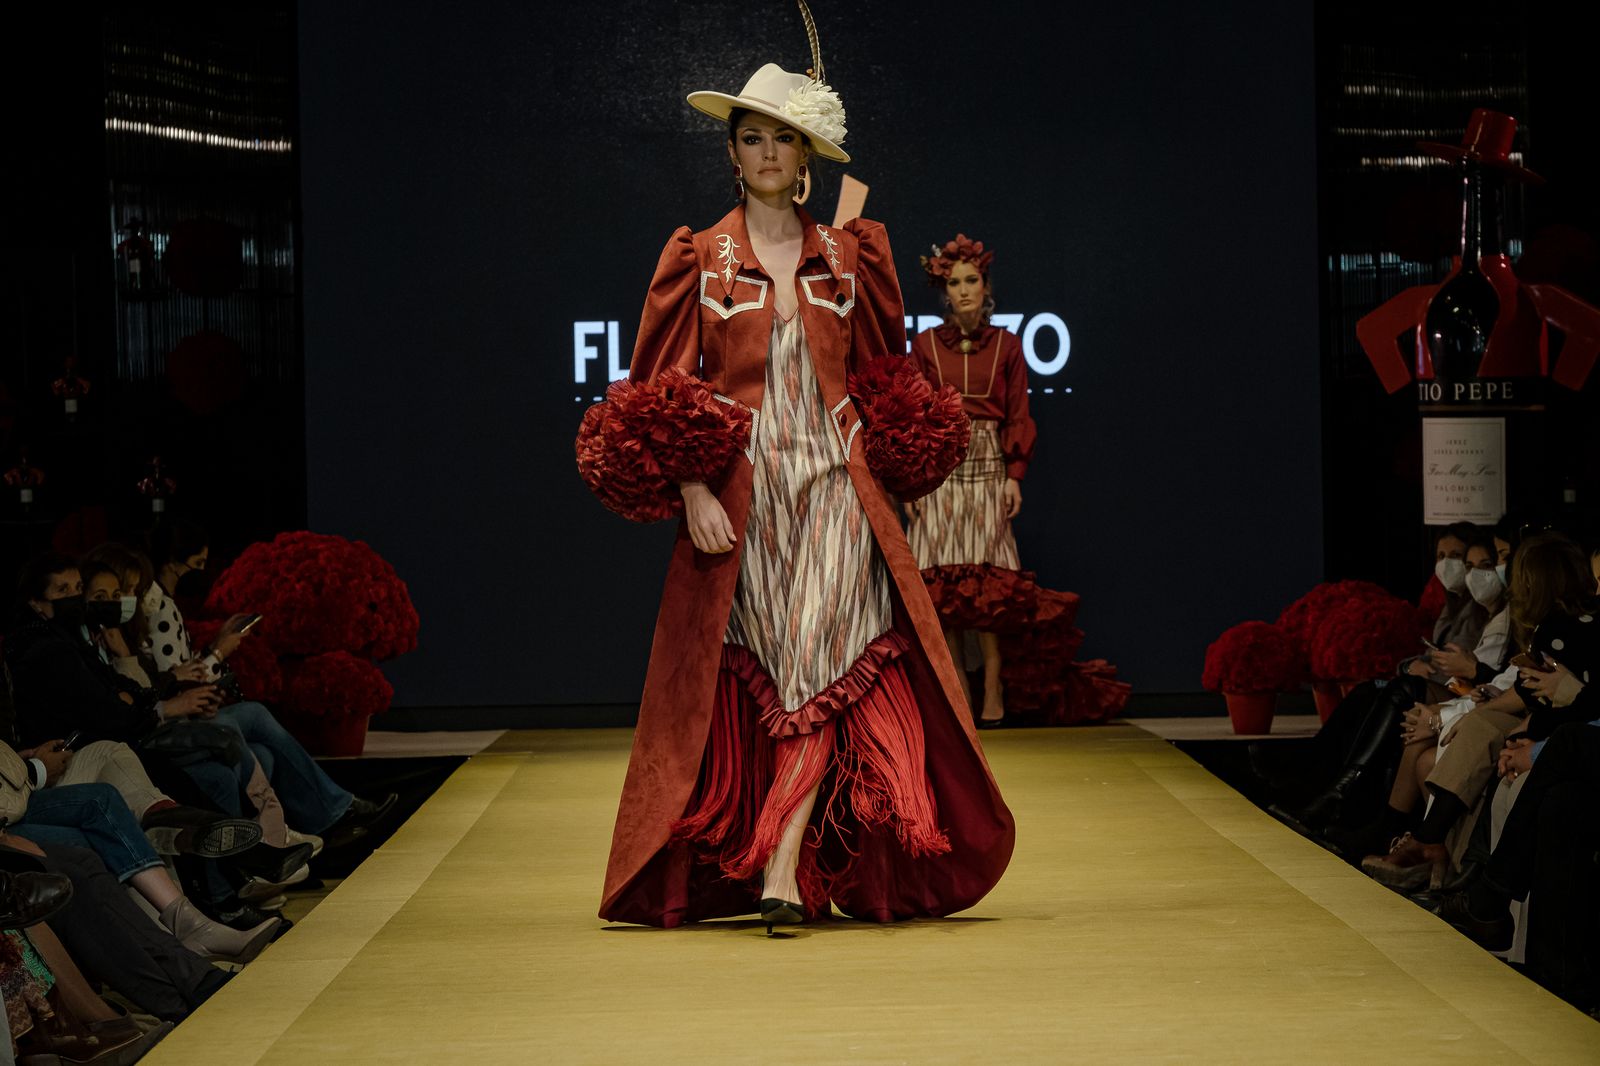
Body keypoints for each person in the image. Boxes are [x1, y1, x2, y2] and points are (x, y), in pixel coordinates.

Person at [577, 53, 1013, 930]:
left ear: (805, 150)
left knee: (822, 655)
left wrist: (905, 467)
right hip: (748, 502)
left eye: (781, 136)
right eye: (751, 138)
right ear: (731, 155)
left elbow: (887, 372)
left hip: (840, 490)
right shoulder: (699, 256)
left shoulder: (852, 254)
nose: (767, 151)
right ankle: (777, 858)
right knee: (780, 670)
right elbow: (661, 390)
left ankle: (781, 866)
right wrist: (694, 488)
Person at [904, 235, 1126, 728]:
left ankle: (994, 678)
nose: (963, 291)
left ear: (985, 286)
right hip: (941, 469)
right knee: (943, 584)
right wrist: (914, 484)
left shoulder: (1007, 344)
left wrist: (1014, 475)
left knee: (988, 583)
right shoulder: (923, 346)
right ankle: (958, 681)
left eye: (971, 280)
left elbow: (1019, 415)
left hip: (987, 466)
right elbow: (915, 418)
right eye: (954, 282)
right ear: (944, 290)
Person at [129, 531, 396, 850]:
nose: (202, 572)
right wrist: (219, 652)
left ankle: (281, 837)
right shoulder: (158, 609)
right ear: (173, 563)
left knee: (265, 754)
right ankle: (320, 817)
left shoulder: (163, 607)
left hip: (177, 714)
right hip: (168, 725)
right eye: (197, 563)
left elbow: (177, 676)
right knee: (254, 716)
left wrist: (216, 648)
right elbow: (179, 680)